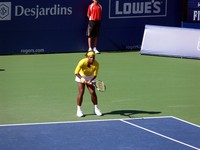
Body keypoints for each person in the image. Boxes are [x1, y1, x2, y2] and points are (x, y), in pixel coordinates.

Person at [74, 51, 102, 117]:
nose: (92, 59)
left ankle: (96, 109)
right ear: (87, 57)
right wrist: (82, 79)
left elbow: (95, 75)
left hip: (90, 76)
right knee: (81, 92)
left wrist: (90, 80)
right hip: (81, 75)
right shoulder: (82, 62)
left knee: (92, 92)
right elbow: (76, 72)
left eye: (93, 57)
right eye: (91, 57)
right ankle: (79, 110)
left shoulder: (96, 64)